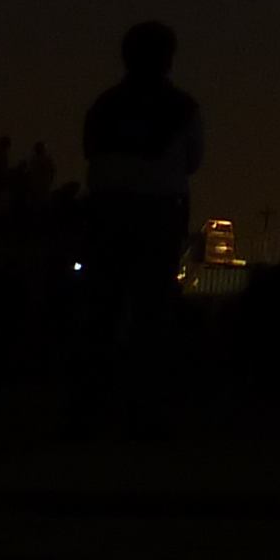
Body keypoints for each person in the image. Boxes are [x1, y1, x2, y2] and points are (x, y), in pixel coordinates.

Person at [71, 22, 200, 427]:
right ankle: (144, 408)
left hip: (107, 210)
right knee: (152, 311)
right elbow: (193, 161)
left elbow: (90, 150)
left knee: (101, 306)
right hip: (159, 213)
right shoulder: (184, 108)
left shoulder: (104, 105)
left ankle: (89, 404)